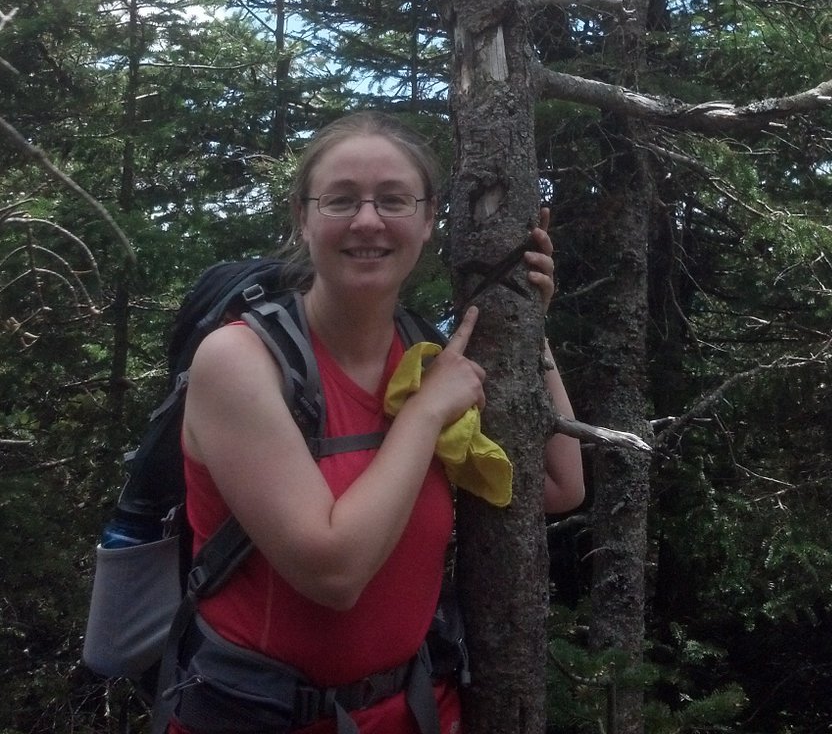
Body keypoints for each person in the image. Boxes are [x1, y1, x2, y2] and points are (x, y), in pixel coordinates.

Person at [169, 111, 585, 734]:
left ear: (428, 218)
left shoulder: (423, 359)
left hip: (415, 711)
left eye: (393, 200)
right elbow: (332, 572)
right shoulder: (241, 361)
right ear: (303, 217)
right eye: (341, 200)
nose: (367, 221)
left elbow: (558, 485)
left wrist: (530, 326)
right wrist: (426, 413)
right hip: (258, 718)